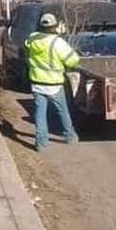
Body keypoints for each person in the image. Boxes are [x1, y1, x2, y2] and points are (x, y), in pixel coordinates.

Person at [25, 13, 80, 153]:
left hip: (37, 82)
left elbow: (27, 43)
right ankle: (70, 136)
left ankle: (41, 143)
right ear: (54, 26)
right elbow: (72, 60)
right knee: (62, 111)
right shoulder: (57, 43)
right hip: (54, 84)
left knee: (40, 113)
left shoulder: (32, 39)